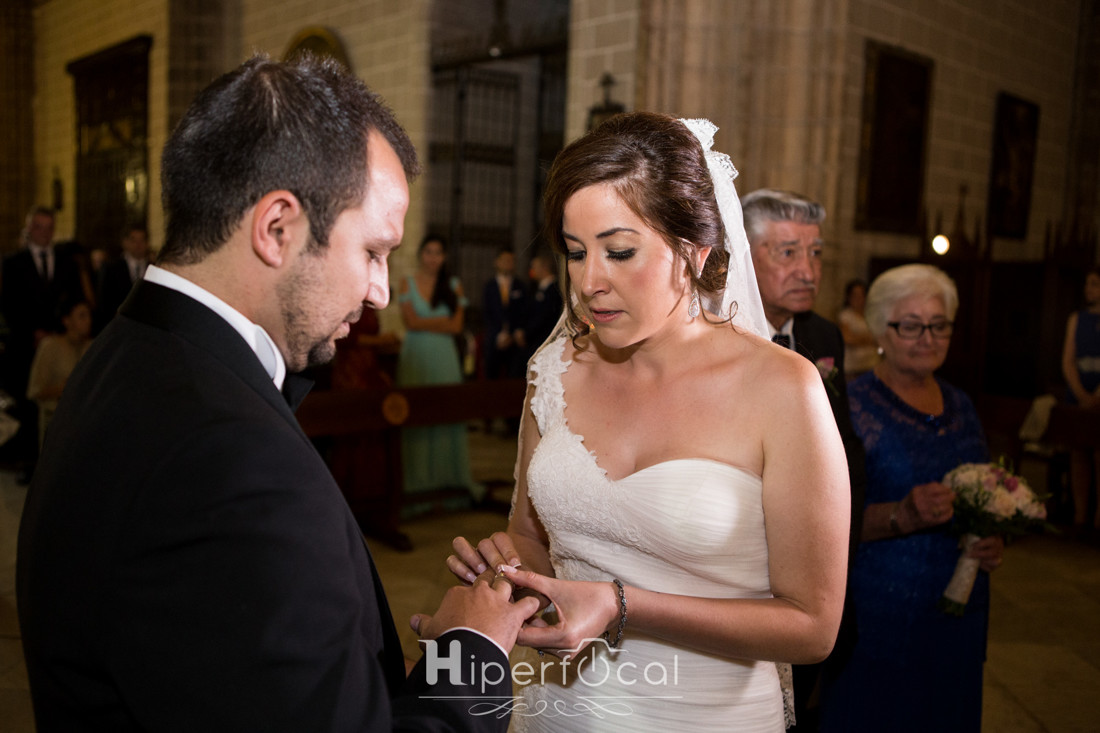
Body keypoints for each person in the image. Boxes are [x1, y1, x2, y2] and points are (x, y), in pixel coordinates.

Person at [17, 54, 538, 732]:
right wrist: (474, 651)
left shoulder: (130, 352)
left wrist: (435, 658)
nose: (380, 290)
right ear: (277, 228)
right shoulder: (233, 460)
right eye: (374, 252)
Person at [448, 114, 850, 732]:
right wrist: (508, 574)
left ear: (695, 248)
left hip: (708, 714)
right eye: (576, 253)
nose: (589, 283)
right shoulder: (552, 371)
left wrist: (619, 606)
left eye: (620, 251)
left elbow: (812, 625)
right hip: (564, 709)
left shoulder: (782, 388)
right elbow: (531, 536)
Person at [819, 264, 1005, 733]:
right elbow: (820, 521)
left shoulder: (961, 404)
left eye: (939, 325)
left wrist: (993, 536)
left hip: (959, 615)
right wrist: (900, 515)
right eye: (911, 325)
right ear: (882, 329)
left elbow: (985, 491)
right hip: (880, 618)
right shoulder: (853, 405)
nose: (928, 337)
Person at [742, 188, 867, 730]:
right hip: (745, 574)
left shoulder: (821, 335)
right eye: (787, 252)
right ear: (745, 256)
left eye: (815, 253)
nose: (808, 270)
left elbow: (846, 452)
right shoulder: (725, 339)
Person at [396, 234, 483, 514]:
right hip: (416, 358)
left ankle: (449, 484)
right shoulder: (406, 283)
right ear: (421, 254)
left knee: (447, 418)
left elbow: (457, 326)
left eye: (438, 252)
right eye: (428, 251)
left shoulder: (453, 285)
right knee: (416, 419)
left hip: (445, 359)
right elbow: (410, 322)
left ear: (444, 257)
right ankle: (417, 488)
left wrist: (425, 323)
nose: (433, 257)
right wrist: (438, 322)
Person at [1, 206, 86, 474]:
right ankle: (28, 459)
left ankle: (54, 459)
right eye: (38, 227)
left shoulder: (65, 261)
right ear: (29, 229)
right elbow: (9, 304)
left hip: (60, 339)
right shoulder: (14, 262)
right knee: (29, 401)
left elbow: (73, 297)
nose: (44, 233)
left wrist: (61, 330)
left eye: (49, 227)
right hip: (27, 342)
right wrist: (32, 332)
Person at [1061, 264, 1100, 534]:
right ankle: (1079, 515)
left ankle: (1099, 519)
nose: (1089, 289)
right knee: (1079, 453)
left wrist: (1097, 396)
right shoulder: (1077, 319)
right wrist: (1081, 394)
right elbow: (1068, 361)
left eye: (1095, 284)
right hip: (1079, 392)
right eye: (1087, 284)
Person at [26, 294, 93, 448]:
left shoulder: (93, 346)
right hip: (55, 422)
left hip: (85, 424)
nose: (88, 320)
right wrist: (66, 388)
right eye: (82, 316)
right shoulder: (50, 347)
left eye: (89, 315)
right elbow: (35, 390)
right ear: (67, 320)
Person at [482, 246, 528, 380]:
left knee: (513, 376)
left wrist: (515, 332)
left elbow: (524, 312)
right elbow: (487, 313)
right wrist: (498, 334)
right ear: (497, 262)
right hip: (494, 339)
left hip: (514, 341)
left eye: (511, 260)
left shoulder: (521, 286)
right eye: (505, 260)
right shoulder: (489, 286)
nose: (508, 264)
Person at [96, 223, 151, 331]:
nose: (138, 245)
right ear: (125, 243)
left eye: (142, 240)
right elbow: (104, 303)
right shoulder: (111, 269)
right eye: (134, 240)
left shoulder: (154, 268)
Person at [522, 251, 564, 362]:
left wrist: (526, 334)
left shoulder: (553, 290)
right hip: (534, 341)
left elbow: (544, 317)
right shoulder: (538, 289)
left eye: (534, 267)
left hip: (542, 341)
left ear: (544, 267)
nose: (532, 270)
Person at [836, 279, 878, 378]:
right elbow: (848, 339)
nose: (858, 299)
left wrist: (860, 338)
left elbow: (880, 338)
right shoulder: (845, 315)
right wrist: (867, 339)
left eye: (861, 295)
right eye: (855, 296)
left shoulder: (871, 315)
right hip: (853, 366)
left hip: (871, 363)